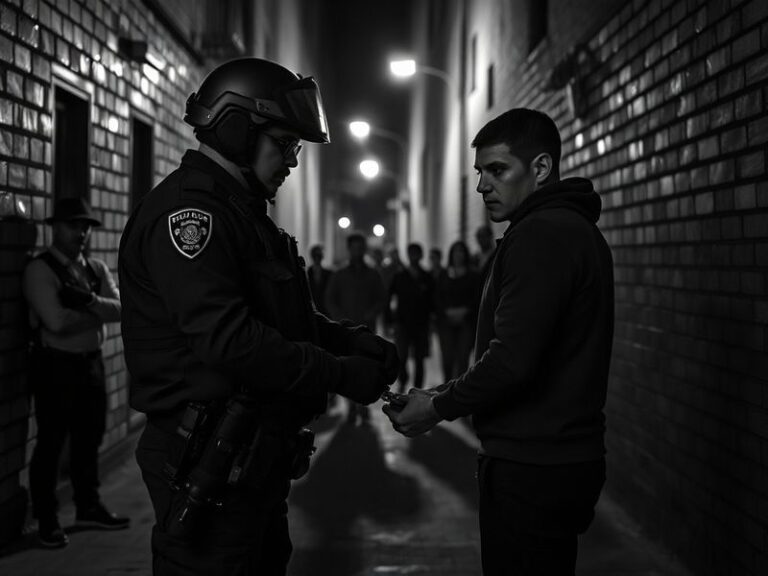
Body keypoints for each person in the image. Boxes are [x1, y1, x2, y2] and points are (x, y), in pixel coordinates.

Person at [118, 58, 398, 575]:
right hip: (208, 457)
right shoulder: (191, 217)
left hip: (248, 458)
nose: (292, 160)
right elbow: (231, 341)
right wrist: (339, 374)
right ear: (236, 130)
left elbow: (277, 317)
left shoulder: (241, 212)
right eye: (284, 144)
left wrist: (348, 340)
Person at [384, 108, 615, 575]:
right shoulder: (563, 231)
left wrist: (436, 407)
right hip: (551, 460)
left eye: (497, 170)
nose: (482, 186)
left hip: (534, 467)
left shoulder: (543, 235)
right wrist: (440, 393)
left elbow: (511, 361)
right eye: (479, 173)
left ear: (541, 169)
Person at [22, 197, 130, 548]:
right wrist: (96, 313)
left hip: (90, 361)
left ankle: (88, 506)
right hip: (55, 364)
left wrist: (88, 303)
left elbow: (120, 311)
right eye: (74, 225)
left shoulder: (95, 268)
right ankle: (47, 519)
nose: (81, 233)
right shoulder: (41, 269)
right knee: (52, 441)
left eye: (85, 226)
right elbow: (55, 322)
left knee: (89, 436)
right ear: (55, 227)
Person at [324, 233, 387, 425]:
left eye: (361, 247)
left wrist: (373, 312)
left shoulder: (373, 274)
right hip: (346, 332)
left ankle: (363, 407)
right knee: (348, 369)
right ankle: (351, 407)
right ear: (349, 249)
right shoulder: (339, 274)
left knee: (367, 369)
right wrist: (339, 319)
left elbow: (382, 298)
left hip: (367, 332)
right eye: (354, 247)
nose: (358, 251)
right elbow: (330, 299)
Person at [388, 242, 434, 391]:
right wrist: (390, 320)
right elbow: (389, 297)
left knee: (419, 357)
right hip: (402, 323)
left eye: (416, 253)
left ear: (421, 255)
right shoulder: (400, 276)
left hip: (421, 323)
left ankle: (418, 387)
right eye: (411, 253)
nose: (414, 256)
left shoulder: (427, 277)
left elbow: (432, 300)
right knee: (402, 356)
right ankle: (403, 380)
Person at [434, 240, 481, 381]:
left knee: (462, 359)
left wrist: (464, 311)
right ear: (451, 254)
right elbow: (436, 297)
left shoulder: (473, 275)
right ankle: (446, 387)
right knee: (447, 358)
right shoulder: (443, 274)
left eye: (461, 251)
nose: (458, 254)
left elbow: (477, 297)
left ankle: (458, 391)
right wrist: (446, 311)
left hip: (465, 321)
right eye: (455, 251)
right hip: (445, 321)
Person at [307, 244, 333, 317]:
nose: (317, 257)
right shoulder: (307, 273)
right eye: (315, 255)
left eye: (319, 255)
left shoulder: (329, 273)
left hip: (325, 310)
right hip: (311, 310)